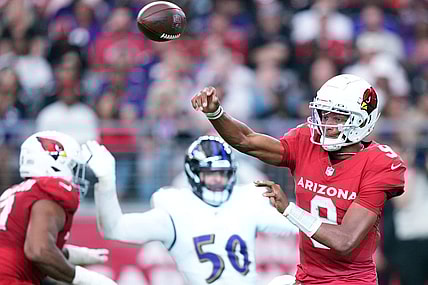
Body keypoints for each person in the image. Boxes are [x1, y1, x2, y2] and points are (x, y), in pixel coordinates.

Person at [191, 74, 406, 285]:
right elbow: (247, 140)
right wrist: (216, 114)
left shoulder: (380, 163)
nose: (328, 124)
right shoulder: (307, 141)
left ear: (362, 121)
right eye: (324, 114)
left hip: (351, 281)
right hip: (307, 278)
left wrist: (288, 210)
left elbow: (345, 240)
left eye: (338, 118)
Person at [85, 135, 298, 284]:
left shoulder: (246, 199)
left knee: (286, 282)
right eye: (209, 173)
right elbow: (114, 228)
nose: (217, 180)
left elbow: (298, 226)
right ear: (194, 174)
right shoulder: (176, 209)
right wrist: (105, 182)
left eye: (222, 173)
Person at [0, 130, 117, 285]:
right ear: (55, 163)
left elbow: (18, 244)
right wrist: (87, 279)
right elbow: (38, 250)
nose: (76, 177)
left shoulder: (16, 192)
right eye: (73, 167)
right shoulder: (48, 192)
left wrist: (74, 254)